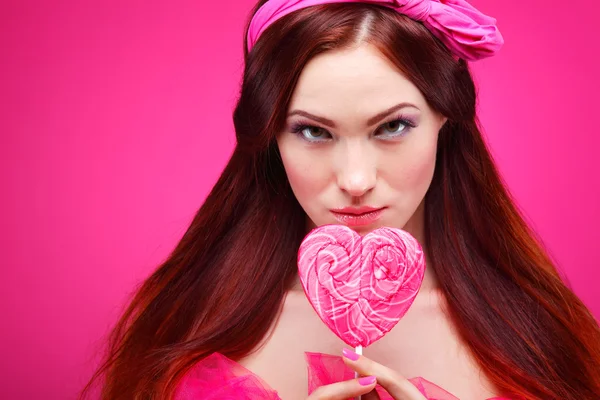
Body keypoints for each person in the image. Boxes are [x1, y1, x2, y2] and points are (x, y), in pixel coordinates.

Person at [81, 0, 600, 399]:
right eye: (312, 132)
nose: (355, 179)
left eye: (393, 126)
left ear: (447, 115)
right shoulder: (188, 324)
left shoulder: (537, 333)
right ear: (270, 136)